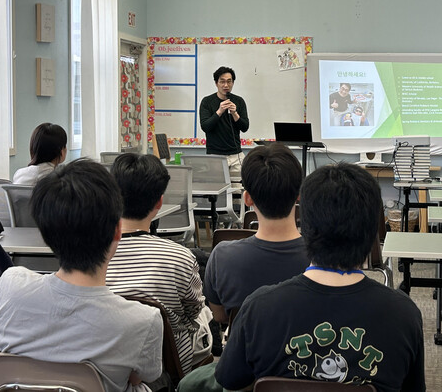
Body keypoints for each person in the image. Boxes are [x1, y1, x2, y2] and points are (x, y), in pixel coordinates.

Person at [178, 162, 425, 392]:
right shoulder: (404, 314)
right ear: (374, 234)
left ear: (304, 226)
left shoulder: (259, 308)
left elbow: (230, 380)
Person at [0, 159, 163, 392]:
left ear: (45, 233)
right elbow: (138, 378)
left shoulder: (10, 286)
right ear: (117, 231)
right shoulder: (143, 320)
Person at [106, 153, 211, 374]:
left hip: (106, 361)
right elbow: (193, 309)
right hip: (166, 365)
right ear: (159, 202)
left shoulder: (93, 257)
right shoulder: (180, 256)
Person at [203, 143, 308, 325]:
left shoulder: (222, 256)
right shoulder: (322, 257)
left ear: (247, 198)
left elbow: (219, 316)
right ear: (299, 193)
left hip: (244, 352)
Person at [199, 66, 249, 173]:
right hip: (215, 155)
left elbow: (245, 127)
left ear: (233, 83)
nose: (226, 85)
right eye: (222, 81)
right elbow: (205, 126)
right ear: (216, 83)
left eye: (229, 81)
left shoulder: (239, 101)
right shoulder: (207, 101)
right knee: (217, 188)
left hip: (236, 155)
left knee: (238, 189)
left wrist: (235, 113)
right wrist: (219, 111)